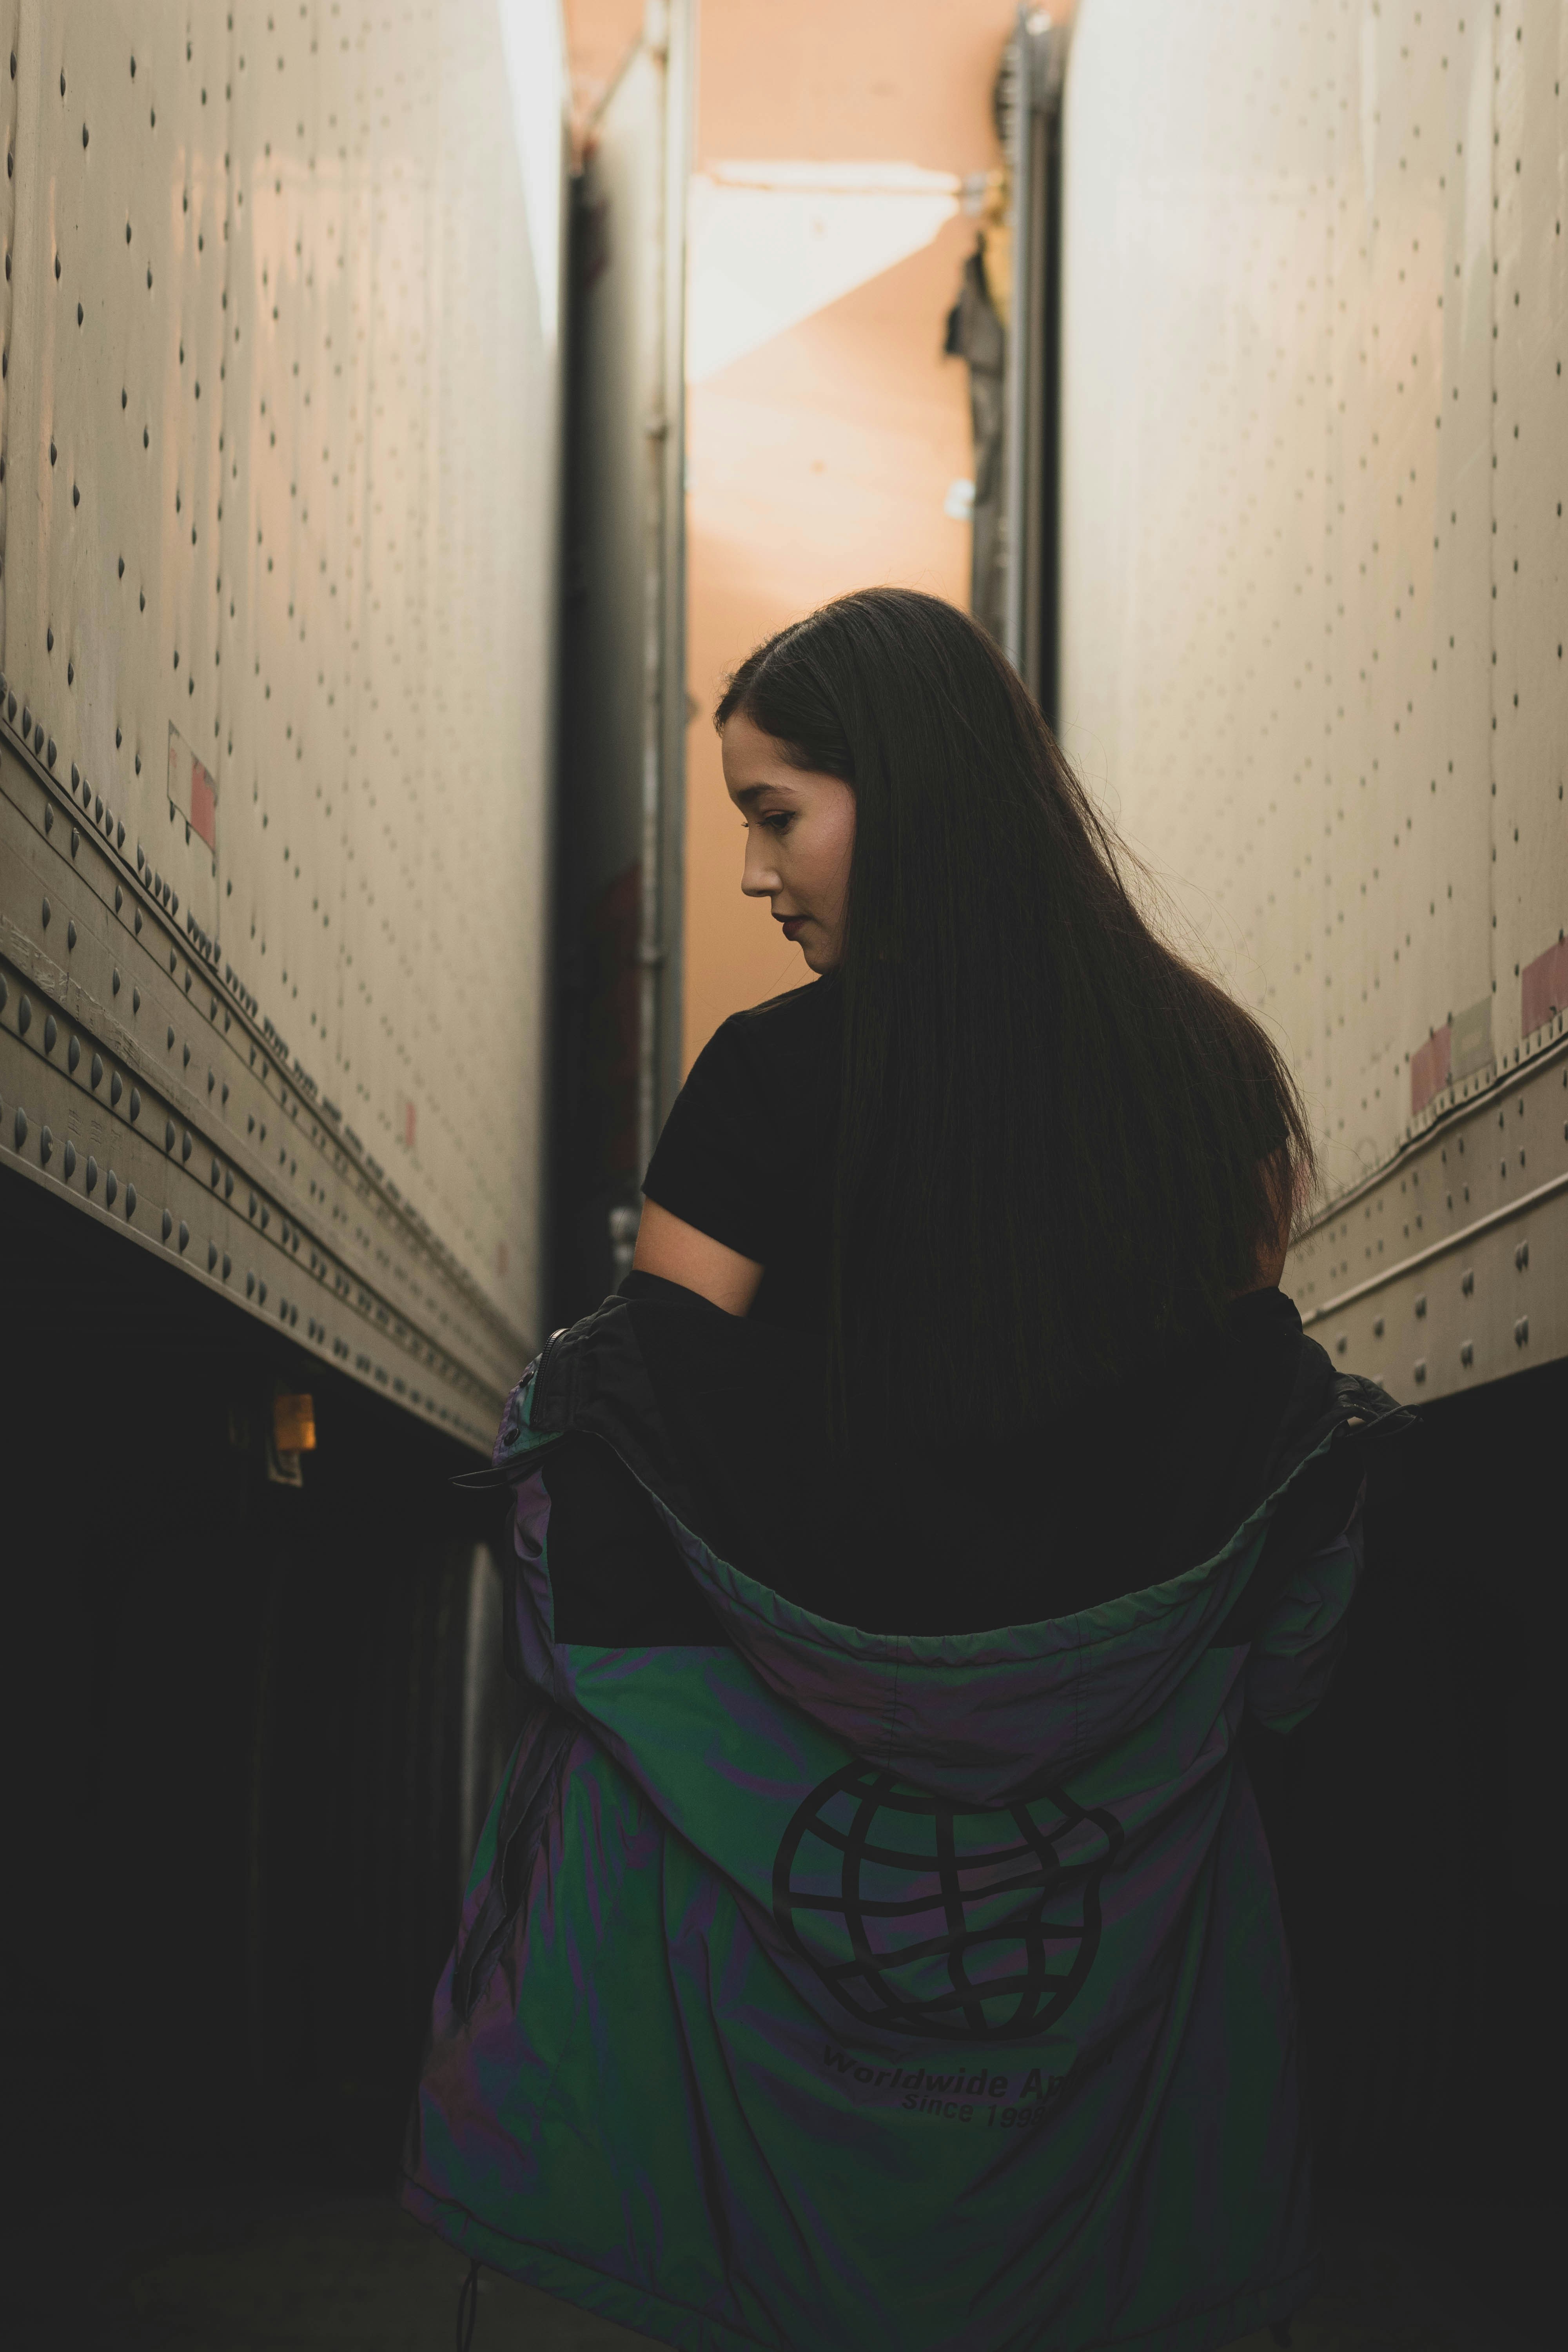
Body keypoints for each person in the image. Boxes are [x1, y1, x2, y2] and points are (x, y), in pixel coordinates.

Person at [402, 589, 1409, 2352]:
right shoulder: (1214, 1081)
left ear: (908, 798)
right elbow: (1229, 1457)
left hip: (773, 1806)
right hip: (1112, 1810)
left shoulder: (767, 1085)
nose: (750, 875)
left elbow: (649, 1437)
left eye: (774, 811)